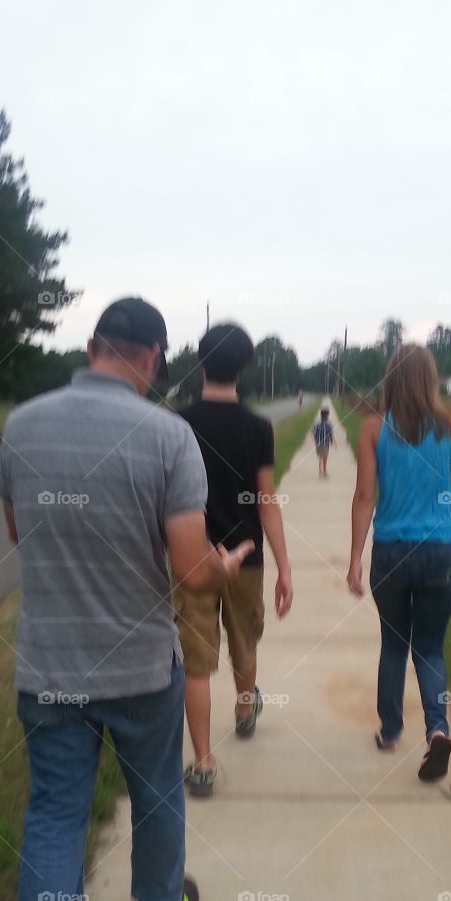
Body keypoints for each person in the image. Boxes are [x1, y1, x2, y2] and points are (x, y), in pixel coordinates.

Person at [0, 297, 253, 901]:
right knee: (156, 790)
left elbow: (22, 534)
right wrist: (228, 563)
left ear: (92, 346)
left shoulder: (22, 424)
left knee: (53, 818)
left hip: (49, 667)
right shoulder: (167, 437)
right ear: (150, 358)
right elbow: (191, 570)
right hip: (141, 664)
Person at [174, 322, 293, 798]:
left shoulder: (177, 424)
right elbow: (266, 501)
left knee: (196, 662)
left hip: (190, 557)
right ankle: (245, 709)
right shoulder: (257, 427)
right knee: (245, 640)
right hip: (246, 556)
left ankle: (202, 762)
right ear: (243, 369)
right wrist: (284, 567)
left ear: (200, 363)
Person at [346, 343, 451, 782]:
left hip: (391, 551)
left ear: (390, 379)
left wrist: (354, 560)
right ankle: (437, 730)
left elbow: (365, 497)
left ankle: (389, 730)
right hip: (440, 550)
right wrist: (448, 525)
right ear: (430, 378)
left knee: (394, 644)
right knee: (431, 647)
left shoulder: (372, 429)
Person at [314, 406, 335, 477]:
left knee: (320, 457)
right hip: (326, 443)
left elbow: (313, 432)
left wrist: (315, 439)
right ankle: (324, 471)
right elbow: (331, 434)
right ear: (327, 415)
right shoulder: (329, 424)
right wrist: (332, 442)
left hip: (318, 443)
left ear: (321, 415)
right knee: (325, 457)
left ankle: (320, 471)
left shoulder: (317, 423)